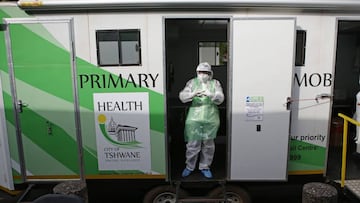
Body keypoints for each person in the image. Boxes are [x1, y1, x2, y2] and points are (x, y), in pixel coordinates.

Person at [179, 62, 224, 178]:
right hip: (195, 118)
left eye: (206, 73)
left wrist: (212, 94)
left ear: (210, 74)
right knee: (193, 143)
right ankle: (189, 166)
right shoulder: (192, 83)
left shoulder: (215, 83)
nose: (203, 75)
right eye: (200, 72)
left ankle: (205, 167)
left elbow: (220, 98)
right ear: (197, 72)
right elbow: (182, 96)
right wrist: (192, 94)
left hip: (210, 118)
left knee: (208, 144)